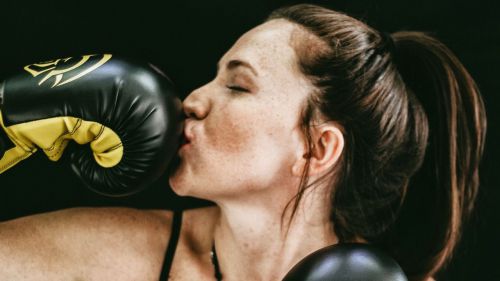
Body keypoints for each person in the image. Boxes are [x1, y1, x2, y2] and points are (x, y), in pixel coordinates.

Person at [0, 3, 486, 281]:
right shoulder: (116, 253)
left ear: (318, 149)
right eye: (213, 78)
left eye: (237, 85)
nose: (191, 99)